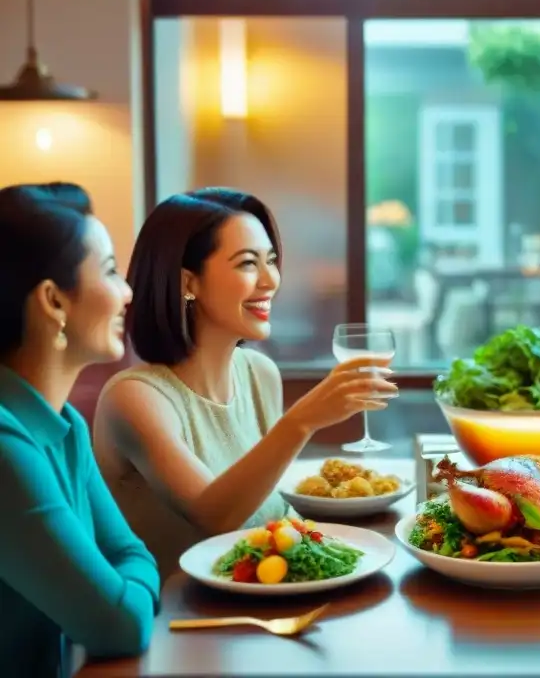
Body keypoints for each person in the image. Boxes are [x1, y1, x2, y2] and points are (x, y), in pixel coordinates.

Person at [93, 188, 397, 579]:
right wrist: (302, 421)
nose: (271, 279)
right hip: (179, 626)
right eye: (248, 263)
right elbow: (215, 517)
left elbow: (274, 516)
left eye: (271, 260)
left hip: (261, 610)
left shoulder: (258, 373)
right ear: (189, 283)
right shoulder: (134, 398)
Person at [0, 183, 158, 678]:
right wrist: (120, 593)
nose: (127, 291)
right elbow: (120, 624)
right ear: (54, 301)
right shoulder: (5, 448)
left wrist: (120, 589)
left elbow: (133, 554)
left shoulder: (64, 425)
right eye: (110, 270)